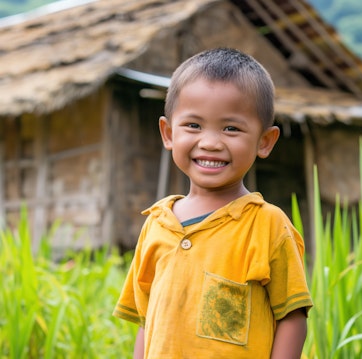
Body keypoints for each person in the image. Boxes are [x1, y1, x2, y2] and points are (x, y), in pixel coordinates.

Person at [113, 48, 313, 358]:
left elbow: (292, 317)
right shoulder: (156, 224)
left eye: (231, 128)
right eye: (193, 125)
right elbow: (146, 320)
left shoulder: (267, 225)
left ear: (264, 141)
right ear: (168, 133)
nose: (210, 142)